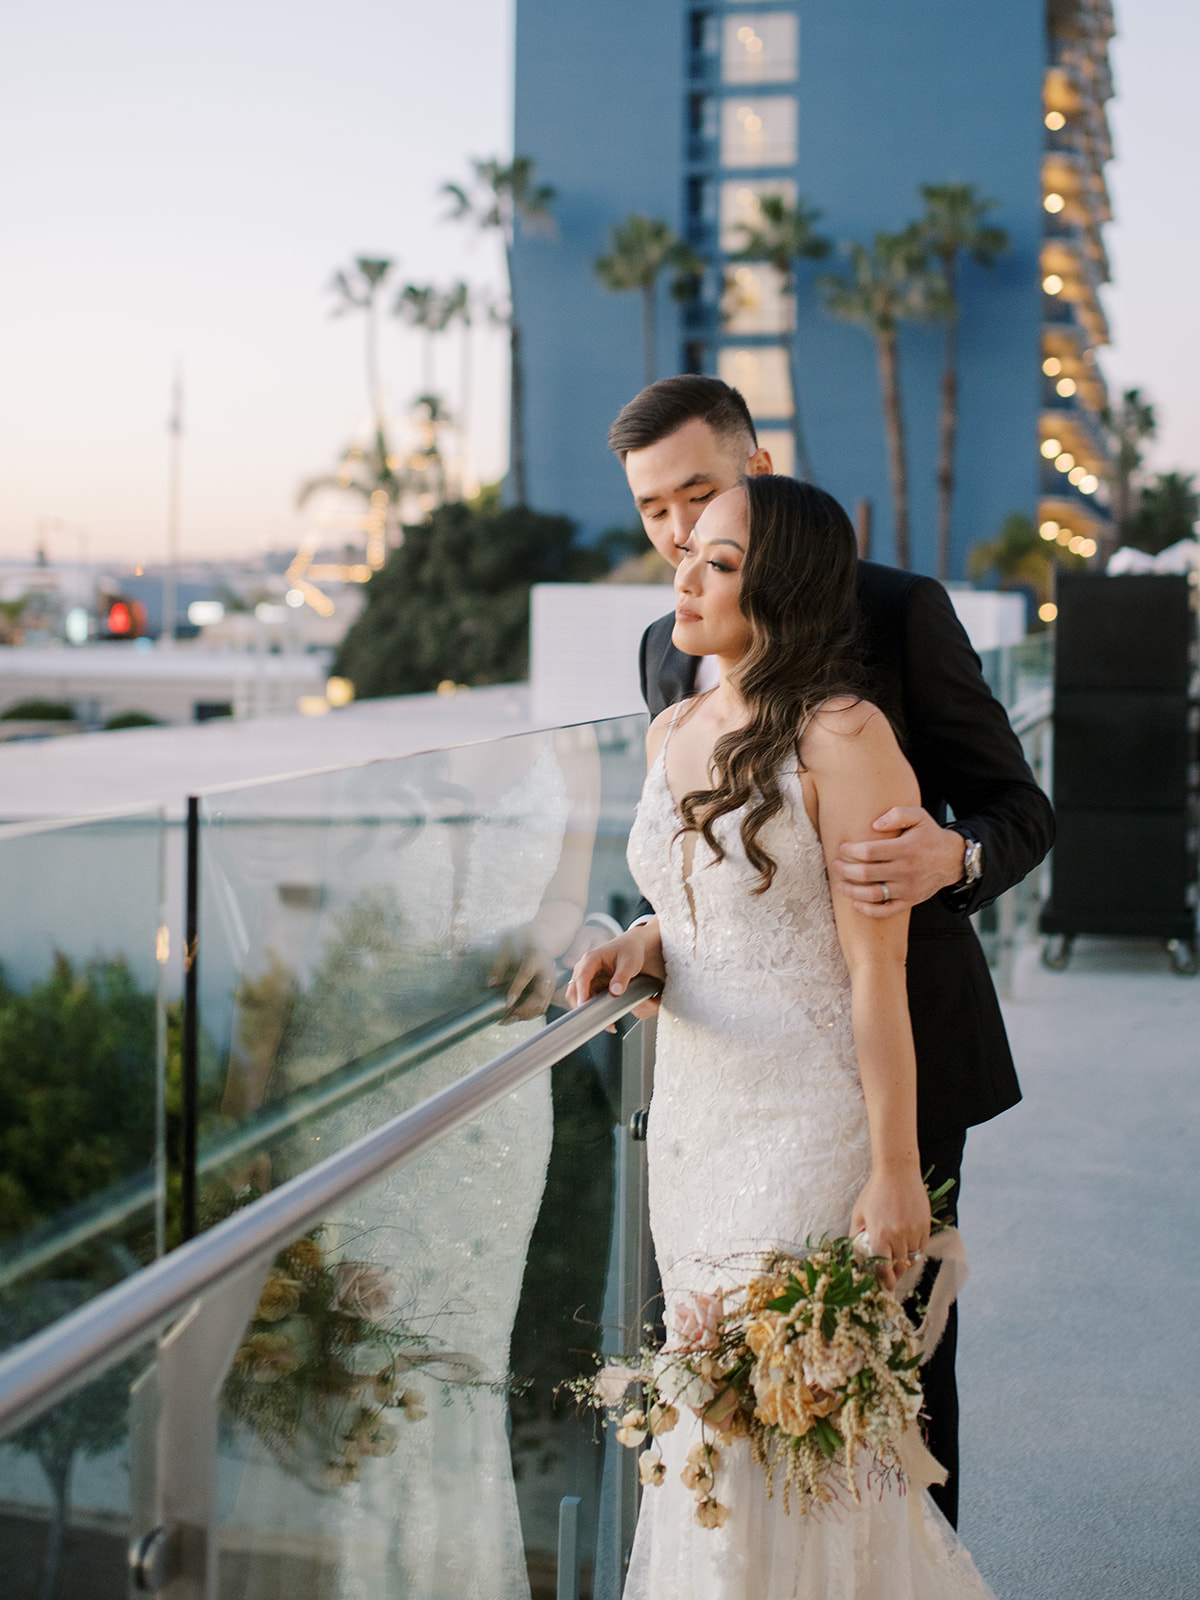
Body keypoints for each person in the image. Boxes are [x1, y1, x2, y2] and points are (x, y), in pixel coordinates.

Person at [606, 375, 1053, 1526]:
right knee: (729, 1402)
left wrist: (949, 860)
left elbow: (1019, 806)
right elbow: (720, 856)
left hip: (887, 1054)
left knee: (886, 1390)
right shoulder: (667, 650)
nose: (673, 535)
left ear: (759, 472)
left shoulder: (900, 612)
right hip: (717, 1100)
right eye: (654, 511)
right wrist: (660, 933)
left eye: (696, 496)